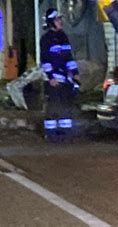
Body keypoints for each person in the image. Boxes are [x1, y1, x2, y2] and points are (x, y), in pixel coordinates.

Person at [40, 8, 80, 143]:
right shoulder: (46, 39)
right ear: (52, 22)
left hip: (65, 79)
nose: (60, 21)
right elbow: (45, 60)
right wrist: (51, 77)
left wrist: (75, 74)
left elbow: (69, 57)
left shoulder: (63, 36)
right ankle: (51, 135)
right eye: (58, 19)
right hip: (53, 79)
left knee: (65, 106)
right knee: (53, 107)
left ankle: (65, 134)